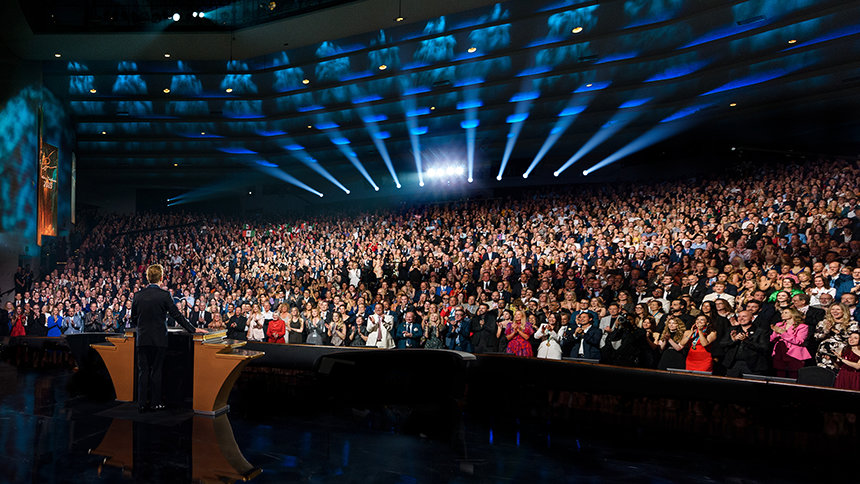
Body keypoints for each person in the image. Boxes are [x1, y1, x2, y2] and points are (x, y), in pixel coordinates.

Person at [131, 264, 206, 412]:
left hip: (143, 339)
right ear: (161, 277)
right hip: (159, 339)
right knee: (156, 371)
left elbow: (134, 318)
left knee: (143, 371)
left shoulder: (138, 295)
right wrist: (192, 329)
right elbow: (177, 315)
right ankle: (155, 403)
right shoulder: (164, 295)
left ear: (147, 277)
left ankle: (141, 404)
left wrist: (142, 328)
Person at [769, 308, 812, 378]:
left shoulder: (802, 327)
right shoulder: (779, 325)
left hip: (794, 355)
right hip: (780, 353)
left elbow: (799, 341)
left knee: (793, 376)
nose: (782, 314)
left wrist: (783, 333)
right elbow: (772, 339)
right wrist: (776, 333)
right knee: (780, 376)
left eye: (786, 312)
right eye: (782, 312)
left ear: (793, 314)